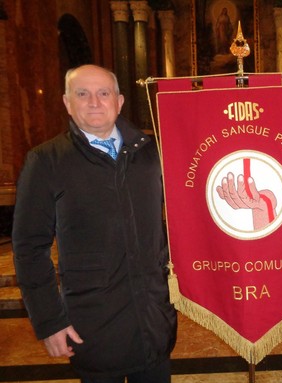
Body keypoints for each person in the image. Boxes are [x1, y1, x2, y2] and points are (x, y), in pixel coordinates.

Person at [12, 64, 177, 382]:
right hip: (93, 323)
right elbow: (29, 248)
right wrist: (49, 321)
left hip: (153, 319)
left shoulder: (152, 153)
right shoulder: (46, 161)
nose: (94, 102)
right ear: (66, 102)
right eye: (82, 94)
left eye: (104, 93)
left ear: (120, 101)